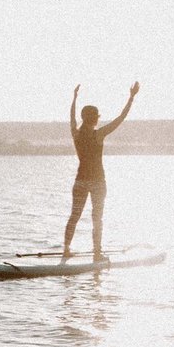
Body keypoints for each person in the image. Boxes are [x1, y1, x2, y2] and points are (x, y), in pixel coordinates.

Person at [62, 81, 140, 261]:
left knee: (74, 215)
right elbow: (120, 118)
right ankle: (97, 253)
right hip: (98, 182)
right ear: (94, 119)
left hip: (80, 181)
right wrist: (131, 98)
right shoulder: (99, 134)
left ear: (84, 118)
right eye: (97, 117)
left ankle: (66, 249)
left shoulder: (76, 133)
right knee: (97, 218)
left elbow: (72, 118)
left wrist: (74, 98)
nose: (98, 119)